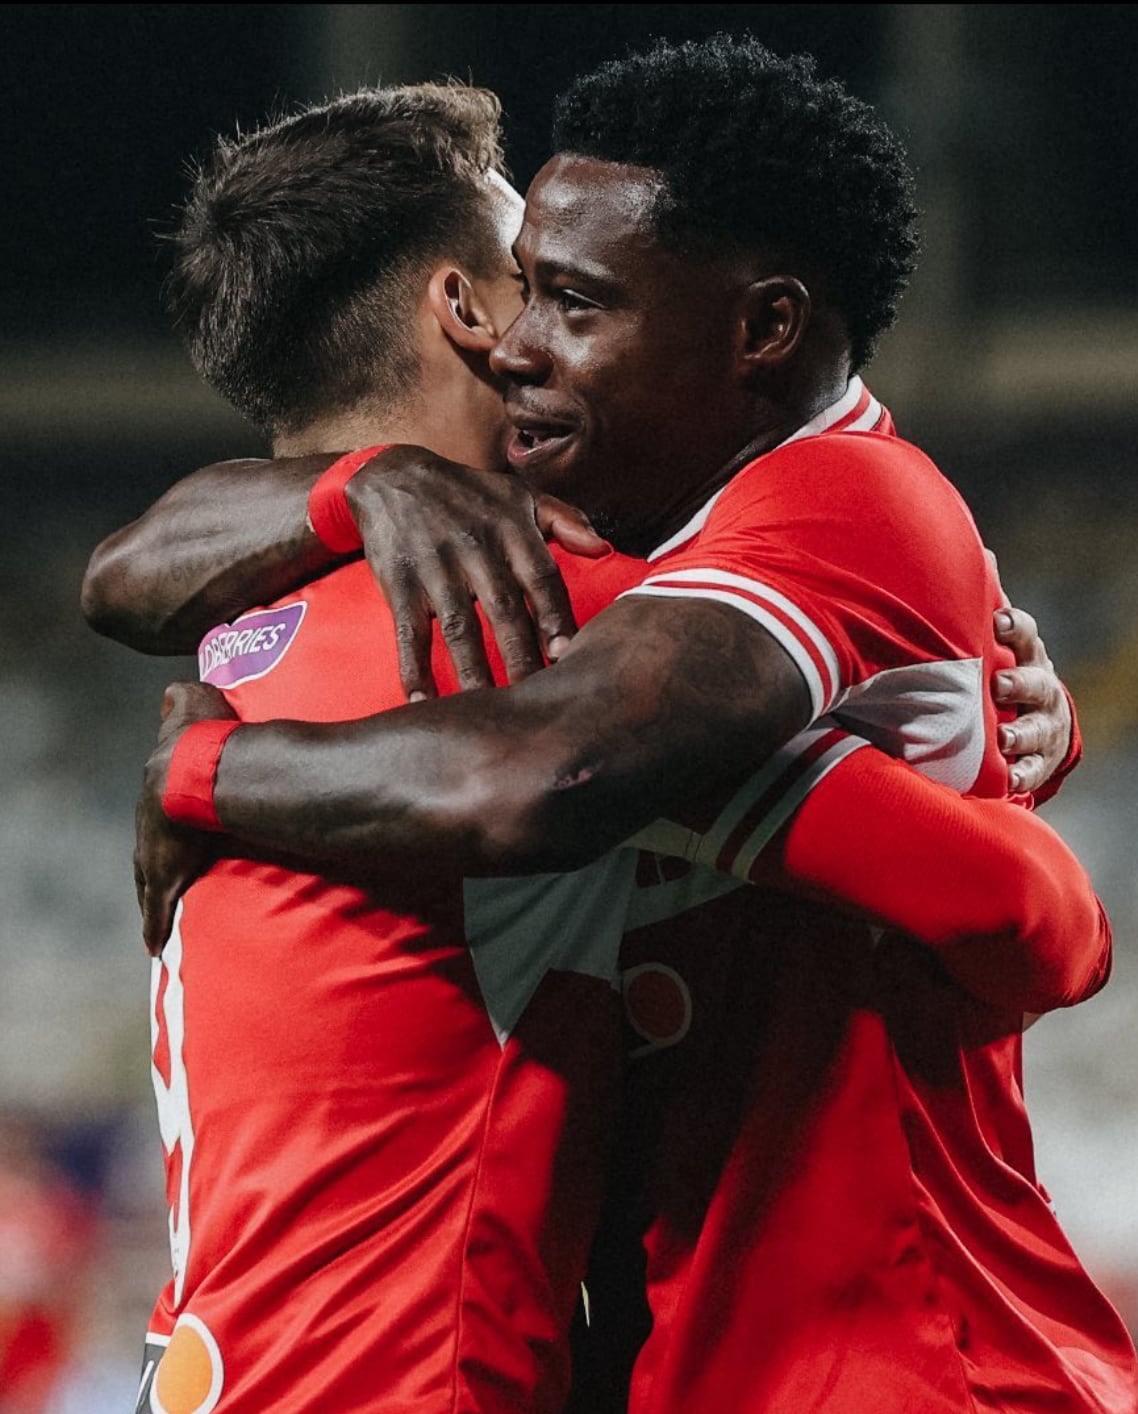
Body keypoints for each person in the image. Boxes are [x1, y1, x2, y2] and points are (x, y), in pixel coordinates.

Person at [89, 44, 1135, 1414]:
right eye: (535, 284)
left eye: (571, 299)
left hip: (890, 1361)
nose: (530, 341)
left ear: (761, 326)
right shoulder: (543, 614)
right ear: (461, 311)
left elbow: (125, 575)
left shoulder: (261, 623)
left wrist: (197, 760)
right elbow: (1034, 916)